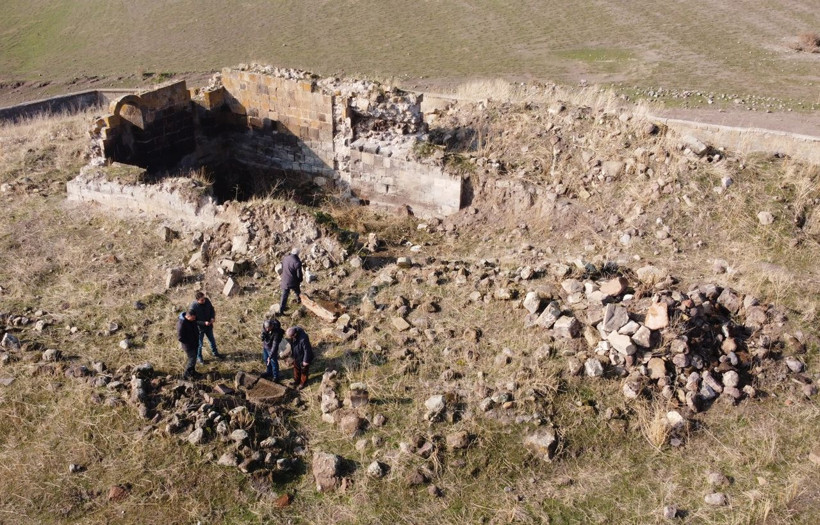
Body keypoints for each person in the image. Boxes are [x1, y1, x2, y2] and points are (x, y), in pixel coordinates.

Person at [190, 291, 224, 363]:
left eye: (204, 299)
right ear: (197, 300)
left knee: (212, 340)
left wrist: (212, 317)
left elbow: (212, 309)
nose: (204, 301)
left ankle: (215, 353)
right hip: (199, 329)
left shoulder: (207, 301)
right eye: (202, 300)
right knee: (200, 344)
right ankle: (199, 358)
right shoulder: (193, 307)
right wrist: (203, 323)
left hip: (209, 326)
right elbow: (193, 321)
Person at [177, 309, 200, 380]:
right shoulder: (182, 323)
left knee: (194, 358)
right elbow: (180, 337)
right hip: (188, 346)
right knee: (192, 359)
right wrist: (190, 342)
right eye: (193, 318)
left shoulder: (191, 320)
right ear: (188, 316)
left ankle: (192, 372)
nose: (194, 319)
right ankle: (186, 374)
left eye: (195, 318)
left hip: (195, 342)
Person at [279, 248, 303, 313]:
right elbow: (299, 275)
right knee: (297, 291)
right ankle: (300, 300)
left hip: (284, 280)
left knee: (284, 295)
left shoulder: (285, 258)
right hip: (293, 282)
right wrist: (300, 280)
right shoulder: (297, 262)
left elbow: (283, 267)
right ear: (297, 254)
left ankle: (281, 310)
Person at [261, 317, 284, 381]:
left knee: (273, 362)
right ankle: (269, 372)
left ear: (272, 326)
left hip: (271, 348)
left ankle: (276, 376)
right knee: (266, 360)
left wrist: (270, 356)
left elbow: (274, 346)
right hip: (266, 346)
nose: (267, 329)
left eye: (268, 328)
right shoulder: (264, 326)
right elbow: (263, 331)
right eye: (266, 328)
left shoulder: (276, 333)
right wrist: (263, 335)